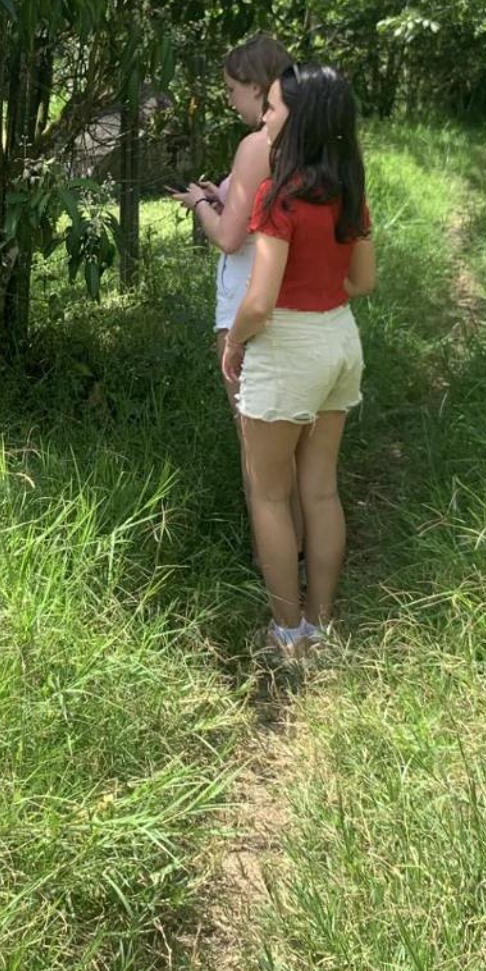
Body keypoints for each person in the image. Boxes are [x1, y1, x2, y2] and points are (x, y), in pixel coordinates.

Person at [220, 64, 375, 661]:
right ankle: (323, 624)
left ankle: (287, 634)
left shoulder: (278, 195)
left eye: (276, 108)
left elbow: (258, 301)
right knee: (321, 492)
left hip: (287, 347)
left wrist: (234, 342)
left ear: (301, 119)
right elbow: (363, 281)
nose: (266, 117)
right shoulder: (349, 193)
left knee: (268, 494)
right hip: (339, 341)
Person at [167, 33, 297, 576]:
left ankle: (271, 567)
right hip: (295, 303)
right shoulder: (304, 143)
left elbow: (229, 237)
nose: (229, 100)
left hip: (247, 302)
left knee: (255, 446)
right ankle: (299, 554)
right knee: (292, 451)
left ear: (257, 86)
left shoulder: (254, 147)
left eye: (232, 89)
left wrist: (201, 203)